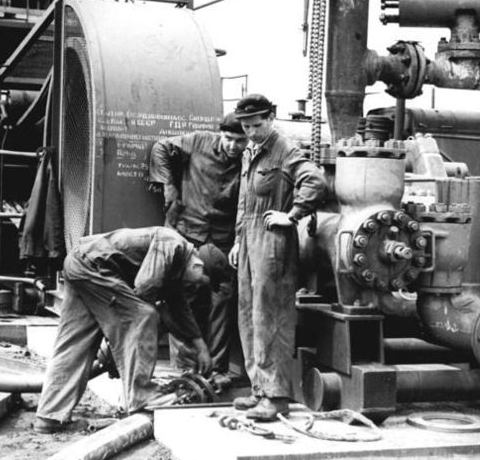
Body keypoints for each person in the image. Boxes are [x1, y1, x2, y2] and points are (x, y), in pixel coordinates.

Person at [34, 226, 227, 433]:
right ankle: (140, 395)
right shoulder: (173, 245)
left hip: (79, 263)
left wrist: (200, 347)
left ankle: (49, 416)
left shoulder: (178, 266)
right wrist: (123, 344)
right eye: (201, 282)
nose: (196, 286)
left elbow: (178, 308)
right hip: (93, 267)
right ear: (198, 265)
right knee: (144, 315)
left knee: (74, 343)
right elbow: (144, 288)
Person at [228, 94, 327, 421]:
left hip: (272, 243)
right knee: (247, 315)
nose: (252, 131)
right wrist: (237, 240)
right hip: (248, 241)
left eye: (257, 124)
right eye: (246, 126)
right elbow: (244, 201)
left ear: (271, 118)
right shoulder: (250, 152)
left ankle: (277, 396)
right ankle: (259, 389)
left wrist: (293, 215)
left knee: (269, 317)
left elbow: (314, 180)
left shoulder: (284, 149)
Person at [149, 113, 248, 383]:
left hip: (222, 241)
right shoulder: (198, 142)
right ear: (220, 134)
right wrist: (169, 186)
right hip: (188, 234)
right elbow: (161, 148)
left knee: (224, 298)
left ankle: (216, 369)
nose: (233, 146)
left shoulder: (249, 159)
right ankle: (186, 367)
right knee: (184, 295)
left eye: (240, 141)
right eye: (228, 139)